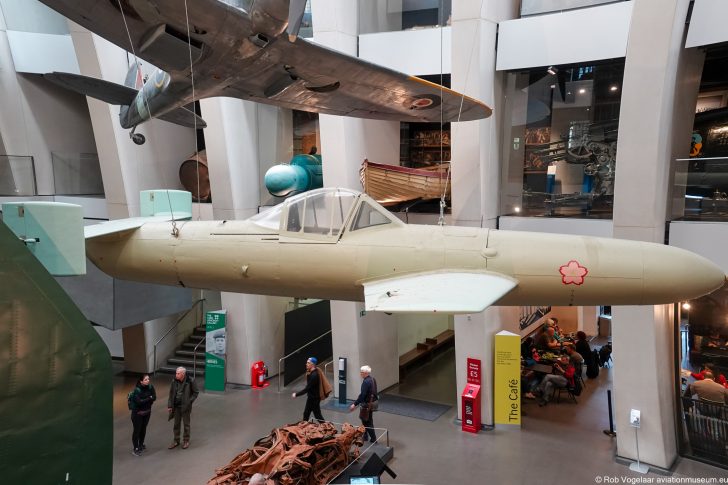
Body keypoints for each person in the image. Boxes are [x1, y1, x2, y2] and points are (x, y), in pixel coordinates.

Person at [167, 366, 199, 450]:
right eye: (176, 373)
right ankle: (176, 440)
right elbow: (171, 394)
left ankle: (186, 440)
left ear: (183, 374)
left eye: (178, 373)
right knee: (176, 424)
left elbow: (196, 392)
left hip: (185, 406)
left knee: (186, 425)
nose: (176, 375)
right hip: (176, 406)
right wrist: (170, 405)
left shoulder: (190, 381)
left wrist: (189, 401)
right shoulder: (174, 381)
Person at [349, 365, 378, 443]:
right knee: (367, 419)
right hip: (373, 403)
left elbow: (362, 395)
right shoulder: (373, 379)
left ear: (366, 373)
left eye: (361, 372)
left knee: (367, 421)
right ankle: (365, 436)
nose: (360, 374)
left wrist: (354, 404)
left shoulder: (365, 382)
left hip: (367, 404)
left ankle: (373, 439)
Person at [292, 357, 325, 422]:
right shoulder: (311, 372)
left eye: (308, 363)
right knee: (306, 413)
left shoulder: (314, 375)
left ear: (313, 365)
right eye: (307, 362)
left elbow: (307, 389)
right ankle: (304, 426)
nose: (306, 364)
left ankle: (327, 428)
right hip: (311, 397)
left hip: (314, 399)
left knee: (317, 415)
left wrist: (296, 394)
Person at [130, 374, 156, 456]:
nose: (148, 380)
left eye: (148, 379)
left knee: (143, 429)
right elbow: (139, 402)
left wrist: (147, 399)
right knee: (137, 430)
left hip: (147, 412)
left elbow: (154, 397)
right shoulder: (137, 390)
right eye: (145, 379)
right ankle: (136, 448)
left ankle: (141, 444)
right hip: (137, 414)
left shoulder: (151, 387)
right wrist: (149, 398)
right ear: (141, 381)